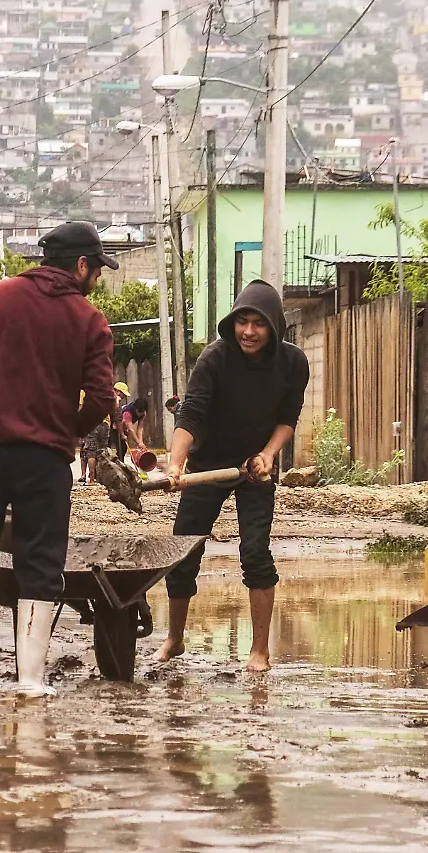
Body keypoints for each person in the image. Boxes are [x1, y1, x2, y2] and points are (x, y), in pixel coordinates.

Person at [0, 219, 117, 699]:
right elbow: (101, 399)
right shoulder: (88, 320)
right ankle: (30, 681)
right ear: (80, 265)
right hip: (45, 461)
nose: (96, 279)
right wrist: (67, 433)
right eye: (96, 268)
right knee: (40, 562)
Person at [159, 280, 311, 670]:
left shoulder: (293, 364)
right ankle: (175, 639)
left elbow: (287, 418)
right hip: (208, 463)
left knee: (255, 552)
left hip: (253, 467)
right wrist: (176, 464)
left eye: (258, 324)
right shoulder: (215, 359)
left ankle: (259, 649)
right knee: (183, 553)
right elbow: (190, 413)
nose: (248, 331)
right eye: (242, 322)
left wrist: (268, 454)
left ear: (273, 327)